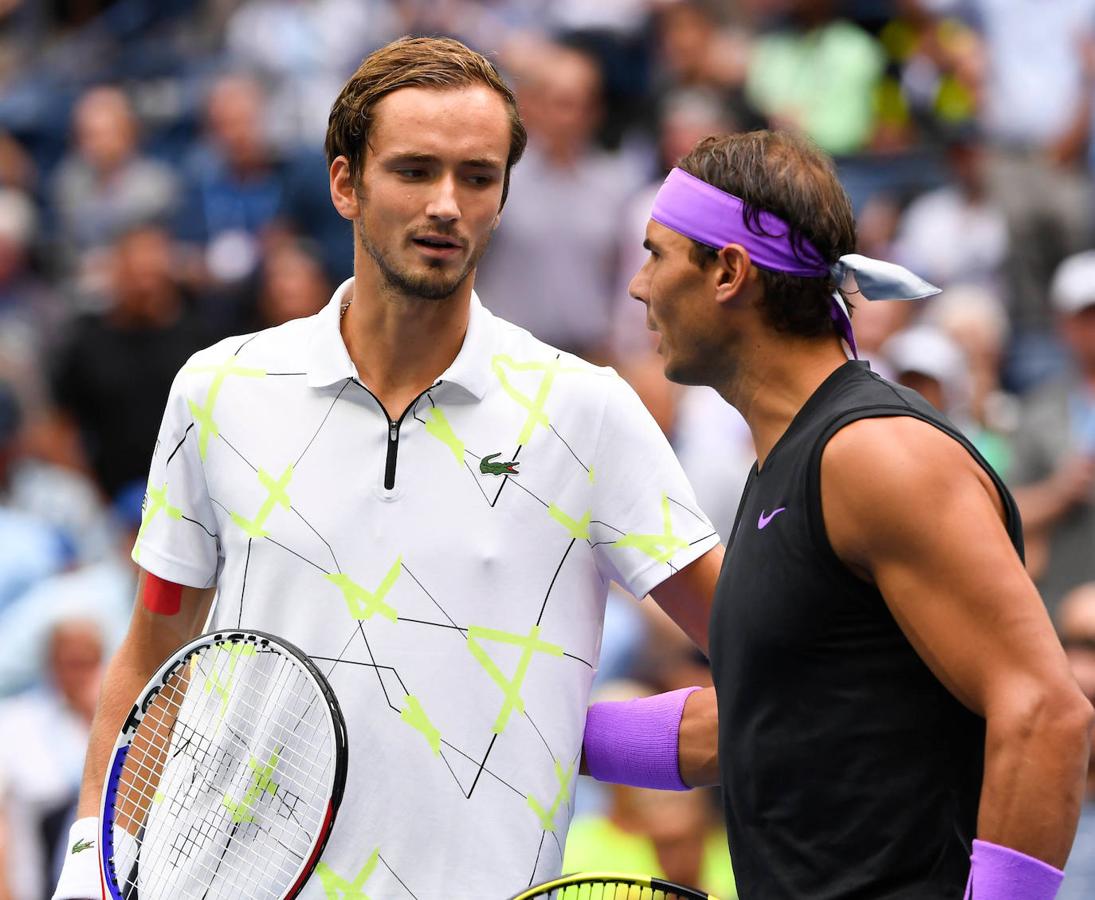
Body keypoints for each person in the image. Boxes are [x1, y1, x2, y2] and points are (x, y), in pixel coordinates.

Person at [53, 37, 723, 900]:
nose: (447, 204)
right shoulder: (218, 387)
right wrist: (86, 862)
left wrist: (585, 737)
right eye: (414, 171)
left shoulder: (586, 413)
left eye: (477, 178)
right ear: (345, 185)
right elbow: (153, 651)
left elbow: (762, 650)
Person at [627, 129, 1093, 898]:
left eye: (656, 254)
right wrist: (509, 723)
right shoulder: (791, 463)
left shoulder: (873, 456)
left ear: (727, 272)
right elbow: (744, 728)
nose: (640, 287)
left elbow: (1045, 713)